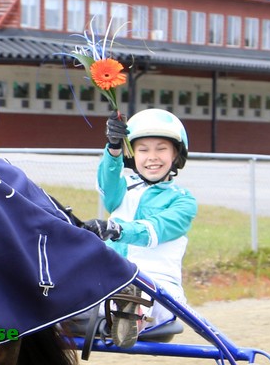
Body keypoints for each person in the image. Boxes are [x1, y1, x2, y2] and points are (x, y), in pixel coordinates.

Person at [81, 108, 197, 347]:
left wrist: (117, 229)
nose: (152, 157)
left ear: (176, 154)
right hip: (111, 281)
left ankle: (130, 315)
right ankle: (116, 313)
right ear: (132, 155)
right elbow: (107, 184)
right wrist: (114, 148)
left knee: (141, 292)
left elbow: (155, 229)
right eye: (143, 150)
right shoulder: (124, 189)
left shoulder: (183, 201)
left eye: (161, 149)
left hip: (158, 287)